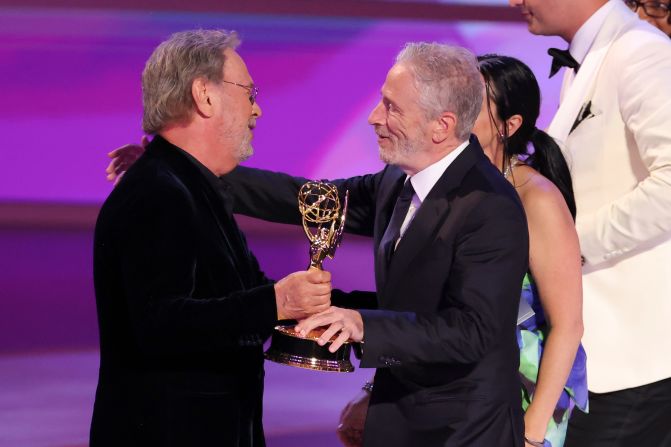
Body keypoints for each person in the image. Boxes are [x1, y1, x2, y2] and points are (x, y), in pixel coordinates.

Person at [225, 43, 529, 446]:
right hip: (399, 413)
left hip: (461, 429)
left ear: (442, 125)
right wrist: (202, 172)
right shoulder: (396, 181)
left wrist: (361, 324)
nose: (373, 118)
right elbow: (315, 200)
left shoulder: (490, 207)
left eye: (391, 107)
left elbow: (472, 330)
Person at [91, 29, 333, 447]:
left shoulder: (194, 189)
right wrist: (275, 302)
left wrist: (383, 312)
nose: (257, 110)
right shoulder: (159, 193)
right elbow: (160, 323)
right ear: (204, 95)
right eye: (249, 92)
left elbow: (251, 296)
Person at [336, 55, 587, 447]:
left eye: (474, 99)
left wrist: (533, 432)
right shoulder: (443, 188)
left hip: (519, 392)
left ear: (510, 125)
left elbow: (567, 325)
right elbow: (423, 312)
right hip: (448, 388)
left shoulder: (534, 198)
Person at [509, 0, 671, 445]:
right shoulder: (593, 56)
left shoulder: (641, 52)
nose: (512, 2)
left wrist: (566, 249)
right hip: (592, 353)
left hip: (631, 360)